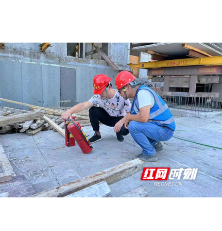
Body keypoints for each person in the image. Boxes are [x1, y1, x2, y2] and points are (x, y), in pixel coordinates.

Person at [114, 71, 176, 162]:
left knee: (133, 126)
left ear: (127, 87)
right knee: (134, 122)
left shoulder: (142, 94)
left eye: (119, 91)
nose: (119, 94)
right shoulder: (139, 94)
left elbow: (143, 118)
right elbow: (133, 114)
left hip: (165, 130)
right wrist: (122, 121)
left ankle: (149, 153)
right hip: (162, 127)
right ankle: (156, 144)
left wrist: (129, 118)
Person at [61, 74, 130, 143]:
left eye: (101, 91)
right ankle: (97, 134)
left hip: (120, 119)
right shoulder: (98, 97)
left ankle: (118, 132)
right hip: (108, 118)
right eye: (98, 92)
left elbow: (130, 113)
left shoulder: (122, 95)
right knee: (93, 110)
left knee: (125, 130)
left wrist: (121, 122)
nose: (100, 94)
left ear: (109, 87)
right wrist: (69, 112)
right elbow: (84, 105)